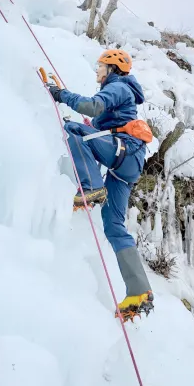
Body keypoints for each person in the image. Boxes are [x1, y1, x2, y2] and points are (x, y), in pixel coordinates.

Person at [46, 49, 154, 320]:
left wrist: (61, 95)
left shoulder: (118, 86)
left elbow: (92, 107)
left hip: (124, 152)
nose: (97, 71)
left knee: (72, 131)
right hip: (128, 164)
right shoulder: (123, 92)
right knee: (114, 226)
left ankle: (91, 186)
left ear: (112, 68)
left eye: (100, 66)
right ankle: (138, 291)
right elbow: (99, 120)